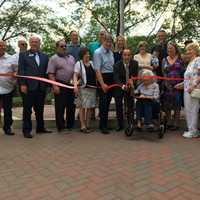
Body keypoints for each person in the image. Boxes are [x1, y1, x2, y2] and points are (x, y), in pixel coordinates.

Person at [18, 35, 51, 138]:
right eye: (32, 42)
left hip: (41, 87)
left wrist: (48, 85)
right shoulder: (23, 55)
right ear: (29, 43)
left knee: (40, 109)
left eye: (36, 42)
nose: (34, 44)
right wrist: (22, 84)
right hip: (28, 87)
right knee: (27, 110)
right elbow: (21, 70)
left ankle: (40, 128)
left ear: (39, 43)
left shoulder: (45, 56)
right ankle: (26, 130)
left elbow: (47, 72)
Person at [47, 39, 76, 132]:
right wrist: (55, 86)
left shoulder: (71, 57)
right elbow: (51, 73)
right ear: (57, 48)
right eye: (61, 46)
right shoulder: (53, 58)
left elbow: (75, 72)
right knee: (60, 107)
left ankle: (70, 125)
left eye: (65, 46)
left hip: (70, 84)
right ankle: (61, 127)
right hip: (59, 84)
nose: (64, 48)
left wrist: (75, 83)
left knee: (71, 106)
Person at [175, 43, 200, 138]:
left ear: (196, 50)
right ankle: (192, 129)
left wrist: (193, 86)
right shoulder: (190, 62)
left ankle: (193, 131)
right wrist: (181, 84)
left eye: (191, 49)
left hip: (193, 89)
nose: (188, 52)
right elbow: (188, 78)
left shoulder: (198, 60)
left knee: (193, 109)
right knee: (188, 109)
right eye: (187, 50)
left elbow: (199, 75)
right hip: (187, 89)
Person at [93, 34, 115, 134]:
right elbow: (97, 70)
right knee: (103, 103)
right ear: (103, 41)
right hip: (102, 78)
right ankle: (103, 126)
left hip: (111, 78)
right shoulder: (97, 52)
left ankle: (105, 124)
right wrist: (102, 84)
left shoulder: (111, 52)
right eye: (107, 41)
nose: (109, 43)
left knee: (107, 102)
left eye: (110, 42)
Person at [113, 48, 139, 131]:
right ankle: (119, 124)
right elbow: (116, 78)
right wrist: (123, 86)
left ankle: (130, 123)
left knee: (130, 106)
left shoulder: (135, 63)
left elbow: (135, 76)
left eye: (128, 55)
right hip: (120, 87)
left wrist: (131, 83)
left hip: (130, 86)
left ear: (131, 56)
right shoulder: (117, 65)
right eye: (125, 55)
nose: (126, 57)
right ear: (122, 56)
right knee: (118, 105)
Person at [73, 47, 97, 133]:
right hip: (83, 88)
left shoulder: (92, 63)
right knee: (82, 107)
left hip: (92, 88)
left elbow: (96, 74)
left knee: (90, 107)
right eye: (86, 54)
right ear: (82, 55)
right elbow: (75, 75)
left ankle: (88, 125)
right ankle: (82, 126)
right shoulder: (78, 63)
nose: (88, 55)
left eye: (88, 54)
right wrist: (75, 85)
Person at [161, 42, 184, 130]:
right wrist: (167, 84)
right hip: (167, 85)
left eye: (171, 48)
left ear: (175, 49)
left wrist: (181, 84)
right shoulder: (164, 60)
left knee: (177, 104)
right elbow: (163, 73)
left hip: (178, 85)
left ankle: (176, 123)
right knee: (167, 105)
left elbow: (183, 72)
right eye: (168, 48)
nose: (169, 50)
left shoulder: (180, 58)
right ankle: (169, 122)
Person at [0, 40, 17, 136]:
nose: (2, 47)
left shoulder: (11, 58)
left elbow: (16, 72)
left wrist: (13, 82)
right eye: (0, 45)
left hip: (7, 89)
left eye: (3, 46)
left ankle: (7, 128)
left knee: (7, 110)